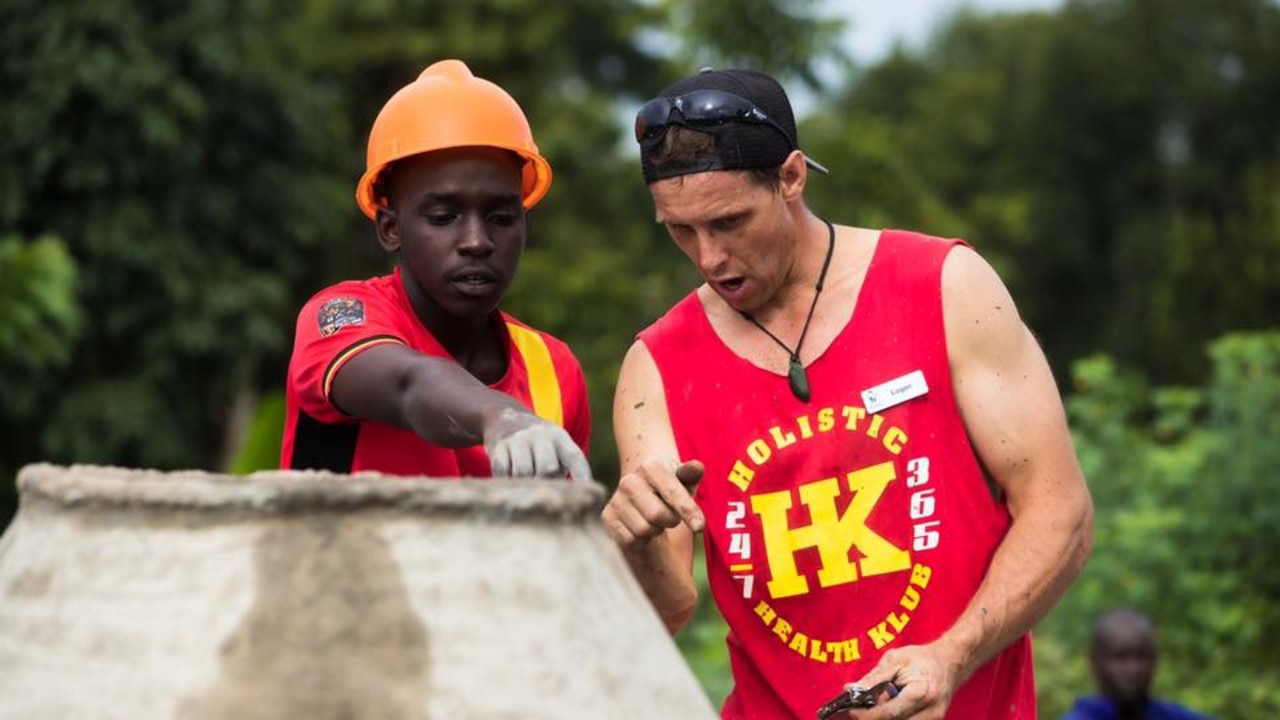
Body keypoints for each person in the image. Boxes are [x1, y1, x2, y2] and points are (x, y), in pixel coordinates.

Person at [601, 67, 1094, 719]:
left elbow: (1062, 513)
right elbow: (669, 606)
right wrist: (633, 539)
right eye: (680, 231)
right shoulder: (656, 367)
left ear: (791, 177)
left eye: (729, 222)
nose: (709, 258)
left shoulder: (942, 287)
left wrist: (952, 654)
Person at [280, 59, 591, 482]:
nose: (477, 241)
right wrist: (502, 415)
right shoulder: (341, 316)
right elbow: (410, 384)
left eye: (501, 217)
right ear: (391, 228)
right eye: (444, 216)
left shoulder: (553, 369)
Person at [1060, 609, 1218, 720]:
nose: (1133, 669)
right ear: (1096, 661)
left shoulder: (1170, 716)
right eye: (1121, 658)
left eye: (1142, 657)